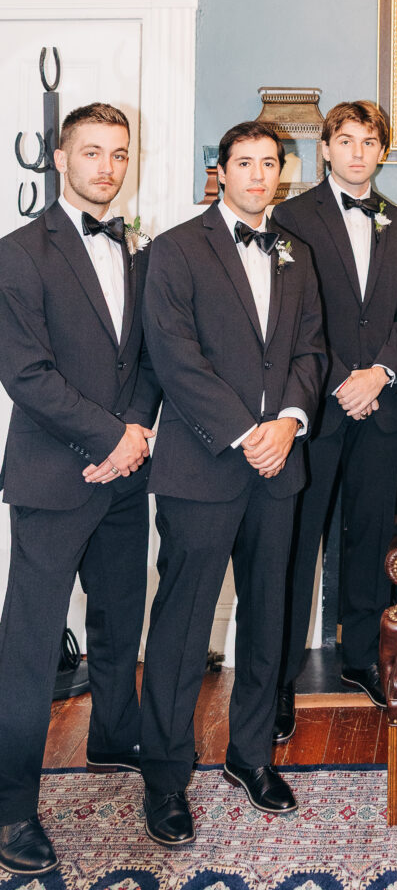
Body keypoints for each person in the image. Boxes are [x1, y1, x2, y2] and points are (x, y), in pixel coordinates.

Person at [138, 120, 325, 848]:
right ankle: (164, 776)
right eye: (242, 163)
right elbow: (174, 357)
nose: (256, 175)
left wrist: (287, 422)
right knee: (183, 629)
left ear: (282, 173)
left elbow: (312, 348)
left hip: (280, 466)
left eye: (268, 163)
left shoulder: (295, 253)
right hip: (203, 466)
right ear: (221, 171)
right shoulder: (176, 250)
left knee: (269, 618)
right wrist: (247, 432)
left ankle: (250, 758)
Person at [0, 103, 159, 876]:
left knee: (119, 624)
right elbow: (26, 374)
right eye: (91, 152)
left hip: (125, 477)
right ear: (60, 160)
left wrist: (131, 437)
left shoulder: (139, 249)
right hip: (53, 475)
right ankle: (11, 808)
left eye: (118, 154)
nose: (106, 167)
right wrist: (106, 439)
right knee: (28, 650)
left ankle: (112, 738)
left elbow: (147, 359)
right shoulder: (18, 253)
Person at [273, 100, 397, 736]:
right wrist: (341, 380)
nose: (358, 151)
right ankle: (277, 677)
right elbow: (289, 312)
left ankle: (361, 656)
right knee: (295, 543)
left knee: (372, 538)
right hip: (314, 405)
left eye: (370, 141)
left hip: (381, 406)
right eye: (346, 140)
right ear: (326, 150)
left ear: (382, 152)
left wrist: (380, 374)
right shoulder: (290, 217)